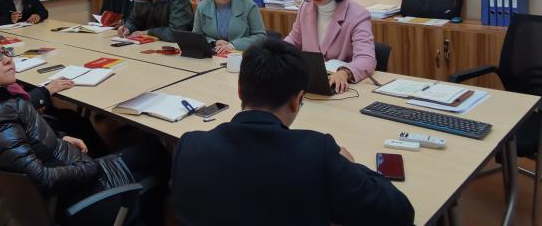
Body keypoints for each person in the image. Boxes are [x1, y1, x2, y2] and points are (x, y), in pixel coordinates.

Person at [171, 38, 414, 226]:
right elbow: (399, 213)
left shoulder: (189, 146)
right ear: (297, 100)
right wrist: (350, 165)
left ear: (239, 91)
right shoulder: (318, 153)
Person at [0, 34, 169, 223]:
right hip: (76, 195)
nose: (8, 59)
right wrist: (90, 166)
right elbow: (41, 179)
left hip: (64, 175)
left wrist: (59, 139)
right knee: (156, 155)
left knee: (150, 149)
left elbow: (24, 143)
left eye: (5, 52)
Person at [0, 0, 105, 153]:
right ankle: (99, 167)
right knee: (74, 121)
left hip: (9, 126)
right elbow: (3, 111)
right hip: (11, 136)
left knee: (72, 118)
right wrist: (44, 93)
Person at [284, 0, 376, 94]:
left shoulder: (358, 15)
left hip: (342, 88)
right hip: (311, 83)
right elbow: (293, 40)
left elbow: (367, 59)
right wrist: (276, 54)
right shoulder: (305, 8)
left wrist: (344, 72)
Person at [192, 0, 266, 54]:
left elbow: (260, 36)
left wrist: (232, 45)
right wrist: (214, 42)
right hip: (214, 55)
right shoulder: (202, 7)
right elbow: (196, 36)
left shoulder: (249, 5)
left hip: (242, 55)